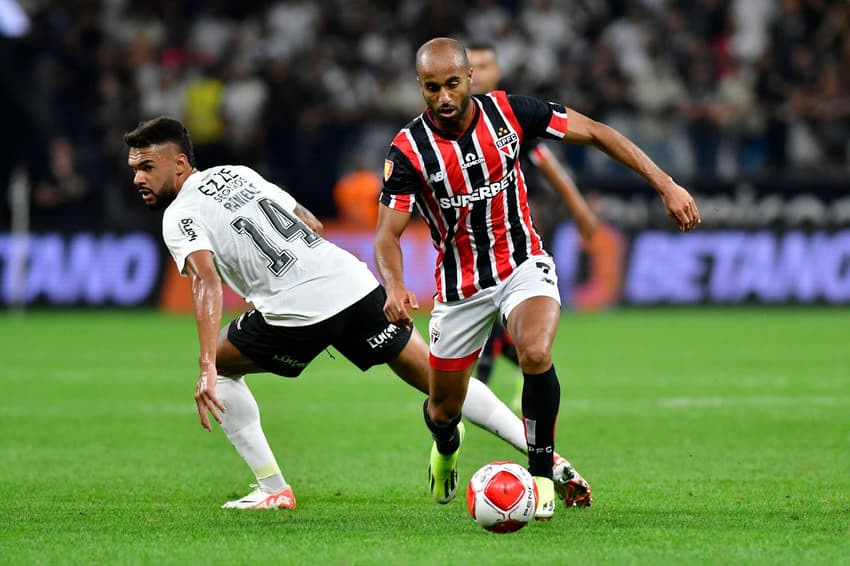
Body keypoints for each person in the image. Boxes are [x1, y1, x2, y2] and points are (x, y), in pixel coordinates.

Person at [123, 116, 592, 511]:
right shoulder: (240, 173)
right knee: (440, 379)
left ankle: (272, 488)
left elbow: (205, 281)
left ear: (180, 164)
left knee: (222, 370)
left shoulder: (177, 215)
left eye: (147, 167)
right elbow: (310, 220)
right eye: (134, 169)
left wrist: (206, 363)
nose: (139, 178)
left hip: (296, 314)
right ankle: (549, 461)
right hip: (351, 283)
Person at [375, 38, 700, 520]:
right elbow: (387, 235)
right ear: (419, 87)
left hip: (522, 263)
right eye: (430, 88)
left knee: (535, 352)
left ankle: (542, 479)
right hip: (461, 287)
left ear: (470, 79)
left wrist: (666, 184)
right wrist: (395, 284)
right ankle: (446, 444)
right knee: (443, 409)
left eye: (451, 84)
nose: (443, 98)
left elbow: (595, 132)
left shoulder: (511, 113)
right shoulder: (408, 151)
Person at [466, 42, 600, 406]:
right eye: (471, 65)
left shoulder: (510, 117)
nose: (477, 72)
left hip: (515, 237)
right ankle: (505, 374)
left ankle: (486, 387)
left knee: (503, 318)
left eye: (485, 64)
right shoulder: (449, 121)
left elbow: (547, 163)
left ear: (497, 73)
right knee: (496, 324)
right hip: (470, 246)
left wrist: (581, 211)